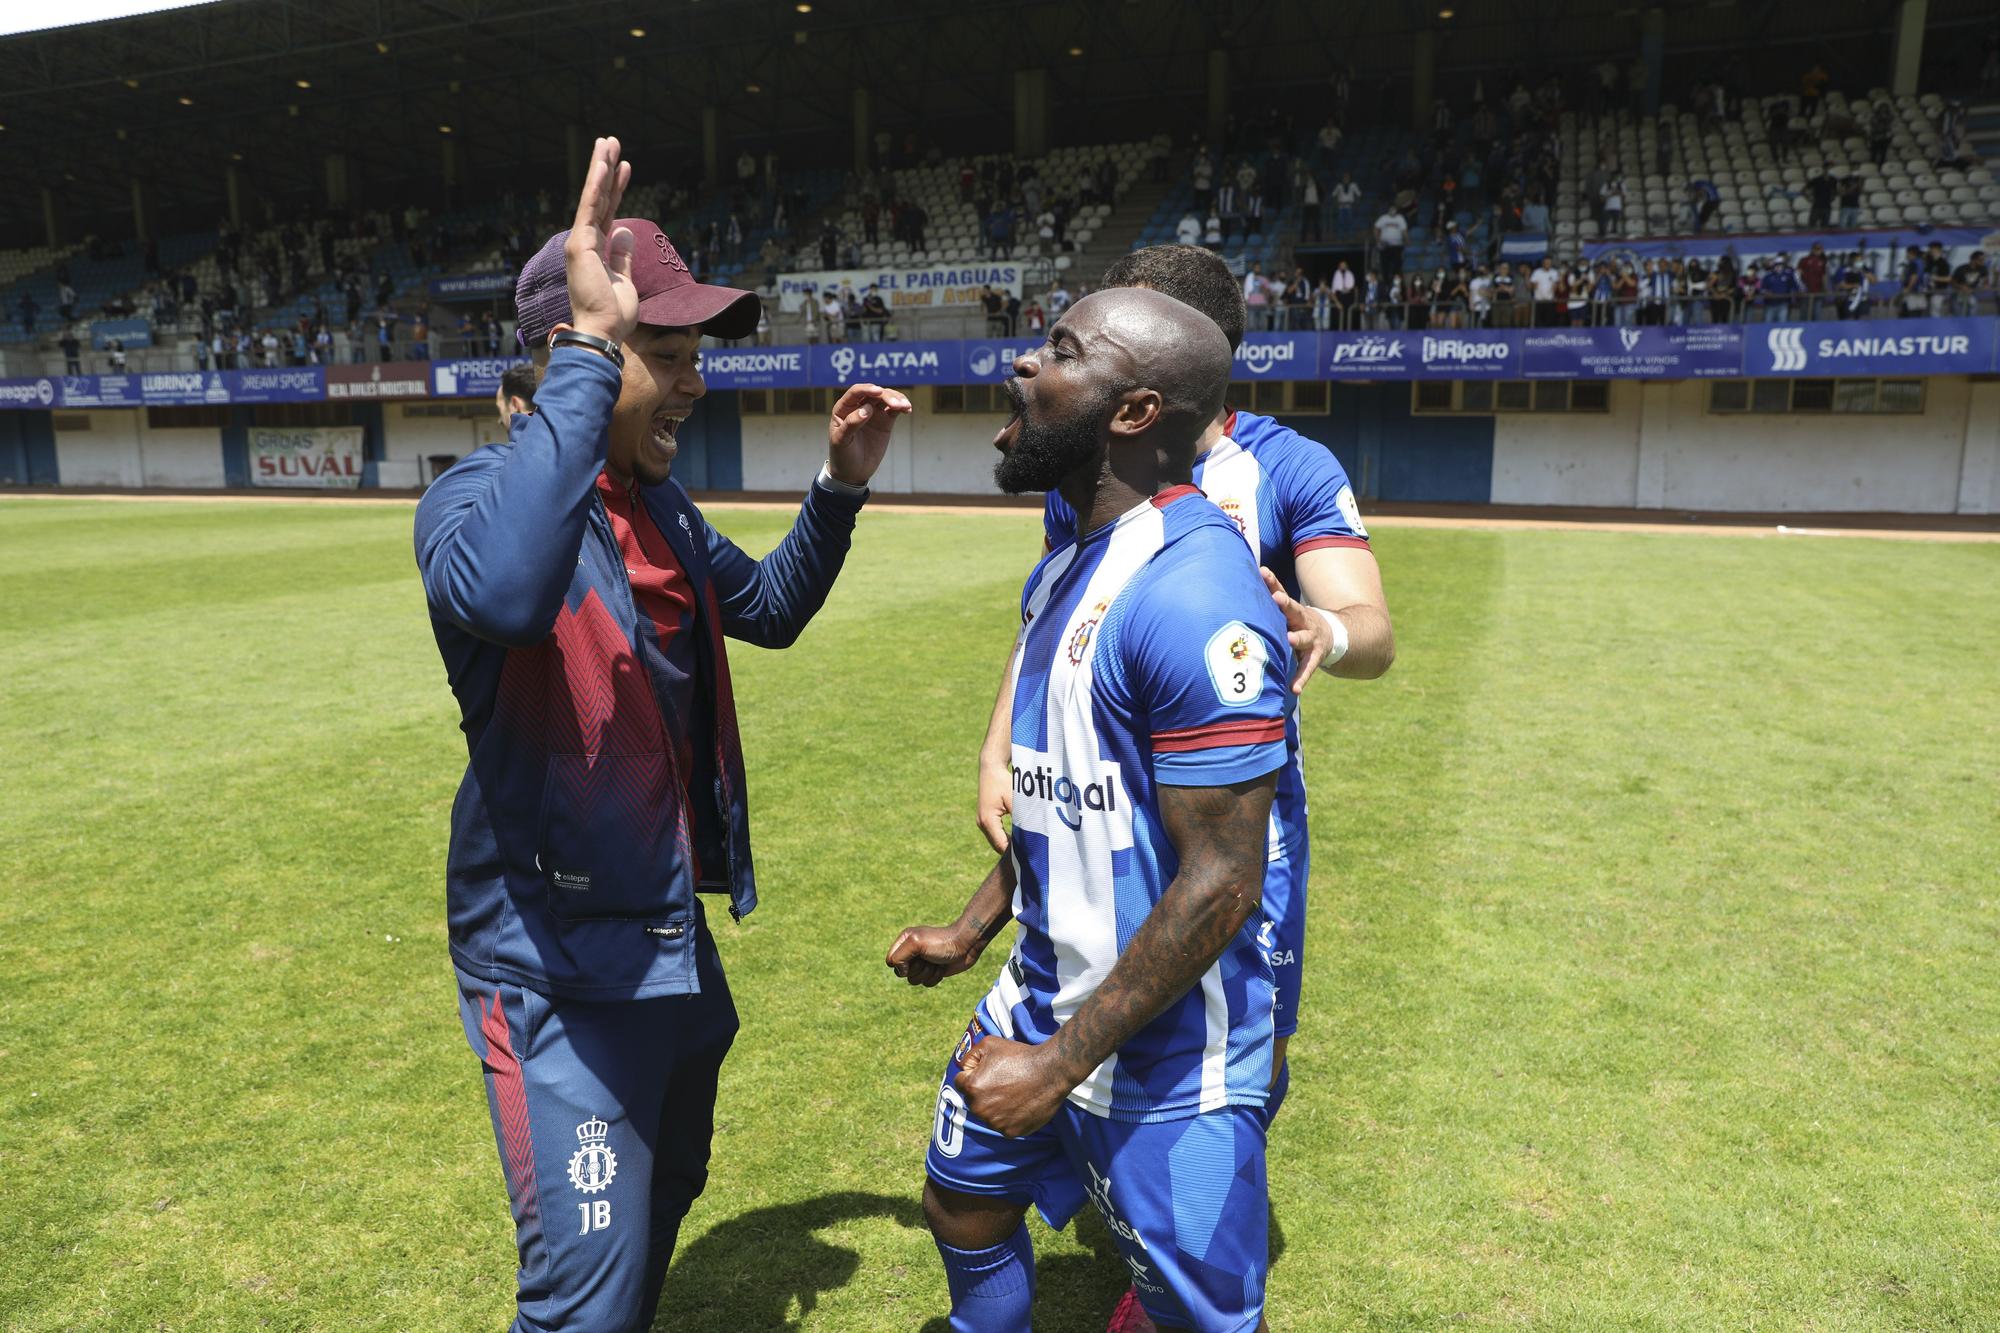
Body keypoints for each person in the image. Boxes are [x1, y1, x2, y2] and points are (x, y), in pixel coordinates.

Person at [415, 137, 911, 1333]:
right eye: (663, 353)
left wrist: (837, 488)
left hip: (665, 950)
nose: (691, 383)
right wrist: (590, 355)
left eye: (695, 356)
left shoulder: (661, 507)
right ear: (570, 354)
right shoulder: (469, 502)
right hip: (555, 971)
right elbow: (508, 597)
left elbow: (773, 611)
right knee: (580, 1299)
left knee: (665, 1186)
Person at [953, 247, 1394, 1333]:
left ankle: (1180, 1224)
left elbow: (1373, 630)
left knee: (1231, 1043)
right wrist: (1001, 741)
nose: (1040, 359)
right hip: (1097, 780)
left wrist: (1320, 629)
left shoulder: (1283, 466)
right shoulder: (1091, 460)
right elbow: (1060, 604)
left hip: (1235, 808)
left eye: (1077, 337)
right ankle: (1119, 1190)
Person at [891, 285, 1288, 1333]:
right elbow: (1065, 798)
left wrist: (1057, 1068)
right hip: (1036, 991)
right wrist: (973, 930)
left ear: (1133, 412)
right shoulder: (1068, 562)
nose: (1022, 365)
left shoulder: (1194, 595)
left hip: (1167, 1053)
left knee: (1187, 1314)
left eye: (1058, 351)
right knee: (960, 1199)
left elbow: (1222, 880)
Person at [1373, 204, 1406, 281]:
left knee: (1397, 265)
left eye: (1394, 209)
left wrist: (1407, 240)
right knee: (1385, 265)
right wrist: (1378, 240)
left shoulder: (1400, 218)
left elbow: (1404, 231)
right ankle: (1386, 281)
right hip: (1385, 245)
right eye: (1391, 209)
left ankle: (1396, 280)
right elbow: (1375, 229)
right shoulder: (1383, 218)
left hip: (1397, 245)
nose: (1393, 211)